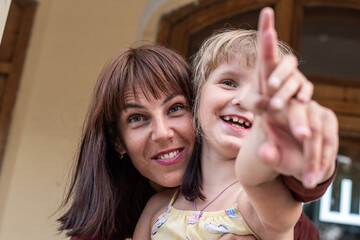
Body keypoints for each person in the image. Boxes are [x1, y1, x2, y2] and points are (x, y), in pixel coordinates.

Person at [58, 14, 336, 240]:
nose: (163, 132)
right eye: (137, 118)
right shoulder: (157, 208)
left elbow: (259, 182)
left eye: (175, 108)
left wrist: (293, 147)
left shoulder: (253, 201)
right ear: (200, 98)